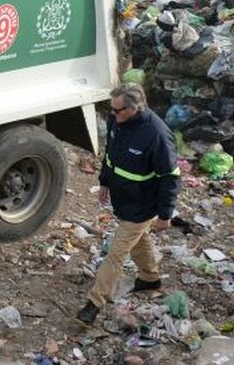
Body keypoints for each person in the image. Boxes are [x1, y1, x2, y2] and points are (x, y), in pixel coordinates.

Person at [77, 83, 180, 325]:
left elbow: (170, 178)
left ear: (135, 108)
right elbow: (110, 155)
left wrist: (165, 214)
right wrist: (104, 182)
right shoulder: (119, 122)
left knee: (116, 252)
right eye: (111, 110)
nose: (112, 115)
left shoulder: (157, 135)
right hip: (124, 200)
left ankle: (94, 303)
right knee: (137, 239)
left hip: (143, 204)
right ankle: (149, 277)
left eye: (117, 110)